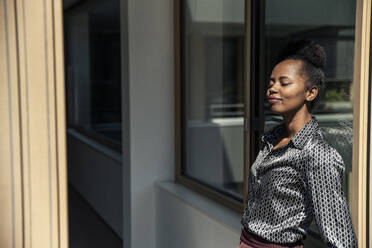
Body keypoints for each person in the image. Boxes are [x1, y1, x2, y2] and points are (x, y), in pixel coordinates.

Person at [238, 40, 358, 248]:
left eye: (284, 83)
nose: (272, 89)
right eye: (271, 83)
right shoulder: (271, 139)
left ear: (310, 92)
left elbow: (340, 236)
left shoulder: (318, 154)